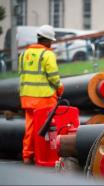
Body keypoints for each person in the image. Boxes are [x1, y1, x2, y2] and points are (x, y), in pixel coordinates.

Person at [18, 25, 64, 164]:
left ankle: (27, 156)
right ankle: (46, 156)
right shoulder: (48, 54)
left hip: (27, 97)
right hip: (44, 98)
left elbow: (21, 74)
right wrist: (60, 88)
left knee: (30, 127)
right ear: (48, 40)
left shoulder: (24, 53)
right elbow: (54, 77)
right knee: (49, 128)